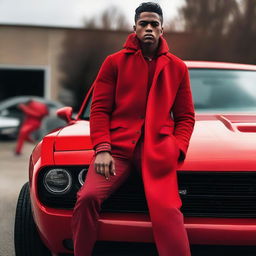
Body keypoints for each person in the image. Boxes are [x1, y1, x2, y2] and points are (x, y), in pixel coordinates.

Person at [72, 2, 195, 256]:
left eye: (154, 24)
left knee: (169, 212)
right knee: (87, 197)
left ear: (162, 30)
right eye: (144, 24)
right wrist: (102, 149)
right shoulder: (113, 62)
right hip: (117, 151)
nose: (149, 28)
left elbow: (185, 117)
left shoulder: (177, 67)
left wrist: (177, 148)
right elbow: (99, 110)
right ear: (134, 27)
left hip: (158, 152)